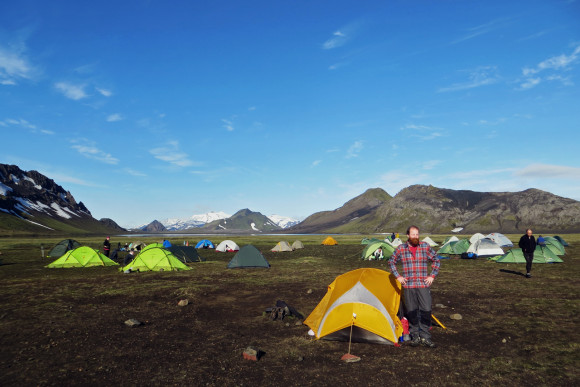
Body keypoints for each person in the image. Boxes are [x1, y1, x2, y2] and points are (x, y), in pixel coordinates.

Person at [389, 225, 440, 348]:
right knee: (411, 311)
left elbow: (436, 260)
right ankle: (415, 336)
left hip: (423, 284)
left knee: (426, 309)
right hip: (409, 285)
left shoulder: (425, 247)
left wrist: (432, 276)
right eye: (413, 234)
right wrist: (398, 276)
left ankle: (425, 337)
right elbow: (391, 261)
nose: (416, 237)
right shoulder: (401, 249)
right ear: (408, 235)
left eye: (417, 234)